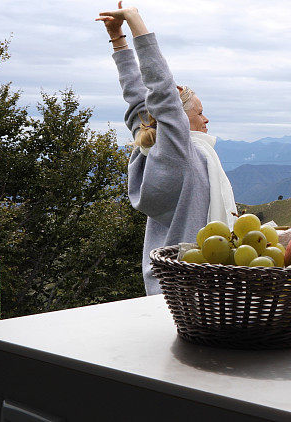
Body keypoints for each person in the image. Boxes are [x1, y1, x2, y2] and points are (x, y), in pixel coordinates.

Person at [97, 2, 236, 295]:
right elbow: (160, 88)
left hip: (163, 284)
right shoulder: (180, 154)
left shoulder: (152, 150)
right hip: (197, 287)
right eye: (199, 112)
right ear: (177, 120)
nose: (206, 118)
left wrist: (117, 39)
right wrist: (136, 22)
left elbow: (136, 99)